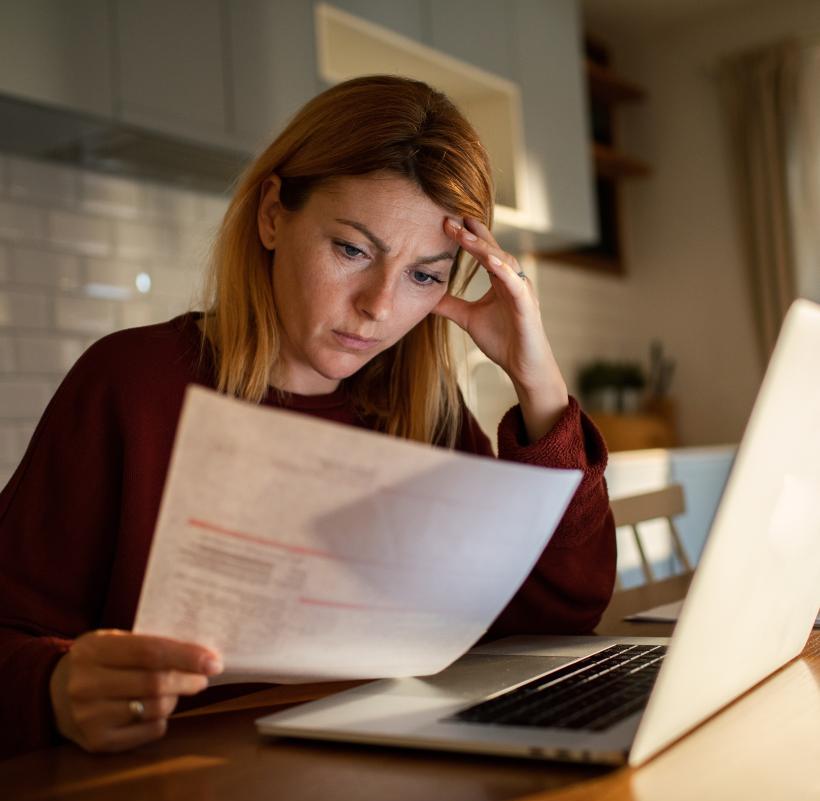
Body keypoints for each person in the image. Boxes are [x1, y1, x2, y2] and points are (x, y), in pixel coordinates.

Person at [0, 75, 616, 759]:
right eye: (353, 249)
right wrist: (57, 688)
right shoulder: (130, 384)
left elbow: (557, 619)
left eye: (424, 275)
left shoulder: (426, 415)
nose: (380, 306)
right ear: (272, 215)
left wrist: (539, 384)